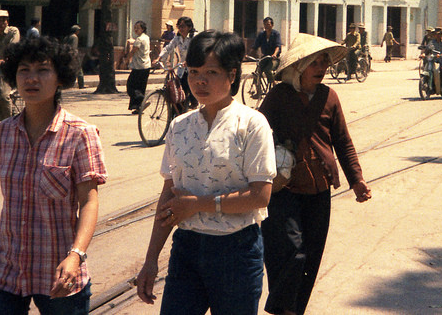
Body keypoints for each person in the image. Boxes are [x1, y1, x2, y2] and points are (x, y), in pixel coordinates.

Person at [135, 31, 275, 315]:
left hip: (236, 251)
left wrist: (198, 205)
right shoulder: (180, 126)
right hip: (186, 248)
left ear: (232, 75)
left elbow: (261, 196)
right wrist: (151, 259)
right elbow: (168, 195)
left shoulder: (251, 124)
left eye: (211, 72)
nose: (200, 80)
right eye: (194, 71)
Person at [0, 35, 107, 314]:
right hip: (6, 267)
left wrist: (76, 256)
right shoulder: (3, 132)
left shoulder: (80, 134)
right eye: (24, 70)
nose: (31, 79)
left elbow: (89, 202)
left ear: (60, 78)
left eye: (42, 70)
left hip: (60, 270)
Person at [258, 33, 372, 315]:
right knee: (290, 251)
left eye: (324, 62)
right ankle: (282, 308)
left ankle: (294, 310)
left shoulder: (329, 96)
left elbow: (343, 141)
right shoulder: (278, 96)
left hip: (319, 187)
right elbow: (255, 133)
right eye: (314, 62)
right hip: (283, 188)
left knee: (310, 256)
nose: (322, 68)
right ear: (298, 66)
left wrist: (356, 180)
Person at [154, 16, 196, 109]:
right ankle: (177, 114)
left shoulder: (194, 38)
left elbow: (197, 52)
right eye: (179, 26)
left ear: (189, 27)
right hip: (181, 68)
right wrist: (159, 58)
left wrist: (188, 61)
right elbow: (169, 47)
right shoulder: (178, 38)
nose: (181, 29)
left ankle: (193, 105)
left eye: (183, 26)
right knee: (177, 91)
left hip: (193, 68)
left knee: (191, 90)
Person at [125, 21, 151, 113]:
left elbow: (133, 51)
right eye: (135, 27)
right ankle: (138, 108)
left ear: (143, 29)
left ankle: (143, 100)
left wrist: (126, 60)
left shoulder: (139, 39)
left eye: (138, 28)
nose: (135, 29)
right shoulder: (146, 37)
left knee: (130, 86)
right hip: (146, 66)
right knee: (140, 88)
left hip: (139, 67)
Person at [252, 17, 283, 85]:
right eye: (265, 24)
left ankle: (274, 85)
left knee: (268, 70)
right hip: (265, 57)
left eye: (268, 24)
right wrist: (248, 54)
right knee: (258, 71)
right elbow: (256, 45)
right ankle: (258, 90)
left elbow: (278, 46)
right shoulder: (262, 35)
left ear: (272, 25)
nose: (266, 26)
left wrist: (274, 54)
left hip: (274, 58)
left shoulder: (276, 34)